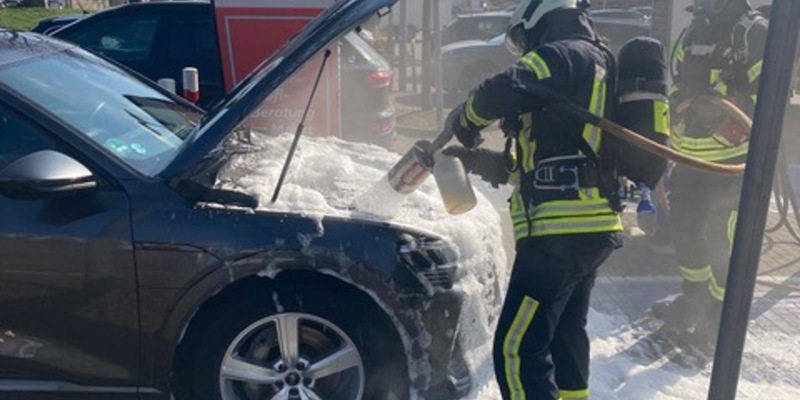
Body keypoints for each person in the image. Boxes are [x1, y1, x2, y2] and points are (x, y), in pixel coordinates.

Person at [442, 1, 623, 399]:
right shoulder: (592, 62)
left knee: (516, 348)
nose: (525, 48)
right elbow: (534, 167)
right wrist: (473, 161)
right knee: (562, 336)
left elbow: (503, 87)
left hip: (558, 233)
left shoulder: (561, 53)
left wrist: (467, 117)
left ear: (538, 21)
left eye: (523, 39)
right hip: (588, 224)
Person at [650, 0, 768, 349]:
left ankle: (718, 317)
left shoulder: (752, 32)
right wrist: (676, 103)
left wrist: (728, 103)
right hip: (690, 159)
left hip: (733, 164)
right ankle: (693, 301)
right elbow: (679, 79)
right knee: (684, 231)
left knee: (724, 240)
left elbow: (770, 99)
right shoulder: (692, 30)